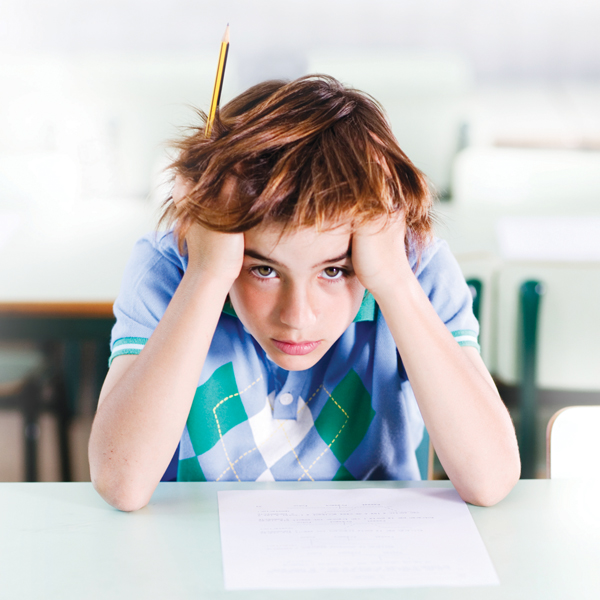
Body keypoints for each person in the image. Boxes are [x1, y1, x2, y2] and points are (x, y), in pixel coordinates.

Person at [89, 75, 520, 512]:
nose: (297, 316)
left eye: (334, 270)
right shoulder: (170, 270)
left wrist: (391, 279)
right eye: (262, 269)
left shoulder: (415, 273)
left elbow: (490, 480)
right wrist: (206, 275)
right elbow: (121, 483)